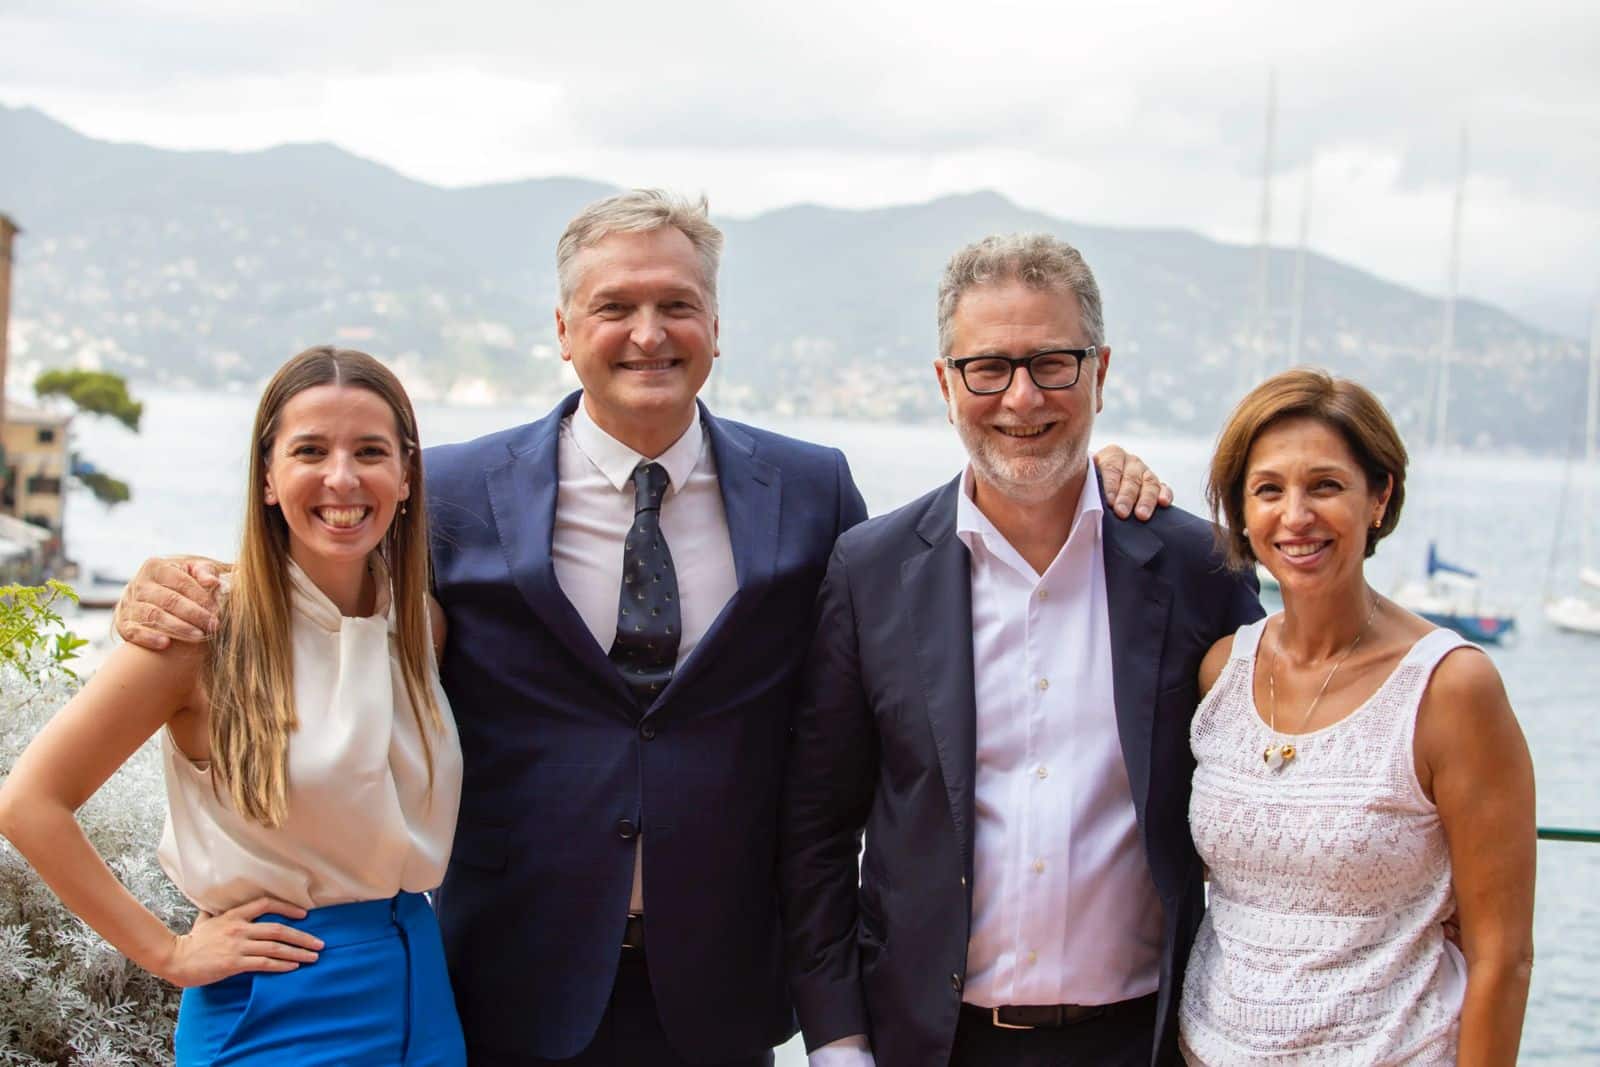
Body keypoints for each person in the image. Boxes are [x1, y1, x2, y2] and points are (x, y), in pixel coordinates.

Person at [114, 192, 1170, 1066]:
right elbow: (320, 583)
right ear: (563, 330)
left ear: (718, 326)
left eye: (678, 302)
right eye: (613, 304)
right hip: (500, 981)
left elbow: (914, 638)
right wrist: (170, 583)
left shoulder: (810, 492)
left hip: (719, 990)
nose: (648, 332)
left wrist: (1094, 474)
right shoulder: (460, 492)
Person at [780, 232, 1261, 1067]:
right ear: (946, 382)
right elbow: (819, 825)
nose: (1021, 397)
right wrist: (838, 1041)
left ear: (1100, 374)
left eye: (1052, 363)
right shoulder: (872, 570)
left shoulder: (1196, 569)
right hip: (929, 1044)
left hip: (1145, 1043)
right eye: (989, 367)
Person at [0, 346, 466, 1064]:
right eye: (310, 449)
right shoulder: (199, 630)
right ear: (268, 477)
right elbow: (30, 801)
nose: (342, 476)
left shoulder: (420, 627)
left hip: (420, 990)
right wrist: (171, 951)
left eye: (369, 450)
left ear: (406, 475)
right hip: (274, 1001)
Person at [1179, 369, 1535, 1065]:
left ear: (1380, 498)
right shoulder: (1220, 670)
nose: (1296, 514)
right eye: (1269, 489)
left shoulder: (1450, 688)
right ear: (1243, 515)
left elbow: (1504, 956)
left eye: (1326, 485)